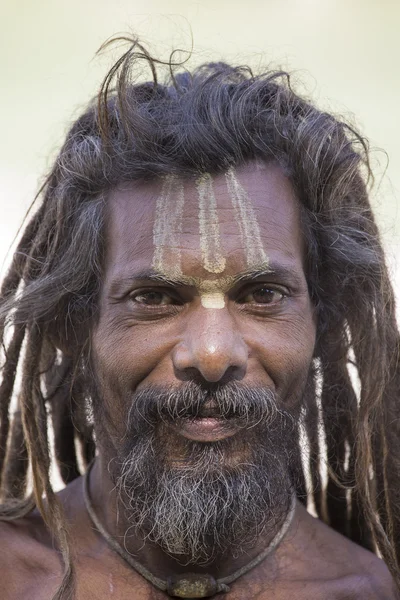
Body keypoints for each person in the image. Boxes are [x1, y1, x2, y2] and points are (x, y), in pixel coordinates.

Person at [0, 37, 399, 600]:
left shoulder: (365, 591)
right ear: (75, 326)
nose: (212, 355)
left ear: (322, 322)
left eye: (262, 295)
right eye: (155, 298)